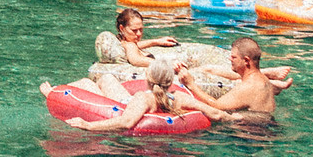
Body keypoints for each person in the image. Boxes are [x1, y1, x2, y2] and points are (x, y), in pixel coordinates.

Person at [50, 54, 224, 131]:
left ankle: (52, 92)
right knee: (107, 78)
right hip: (132, 101)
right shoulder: (179, 97)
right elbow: (215, 113)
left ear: (147, 76)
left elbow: (127, 122)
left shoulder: (143, 98)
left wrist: (88, 125)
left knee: (86, 83)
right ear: (170, 82)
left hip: (122, 105)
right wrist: (236, 119)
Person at [194, 37, 279, 120]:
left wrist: (190, 84)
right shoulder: (263, 79)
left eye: (234, 57)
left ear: (246, 60)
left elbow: (215, 106)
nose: (230, 59)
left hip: (252, 131)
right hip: (267, 127)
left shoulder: (248, 86)